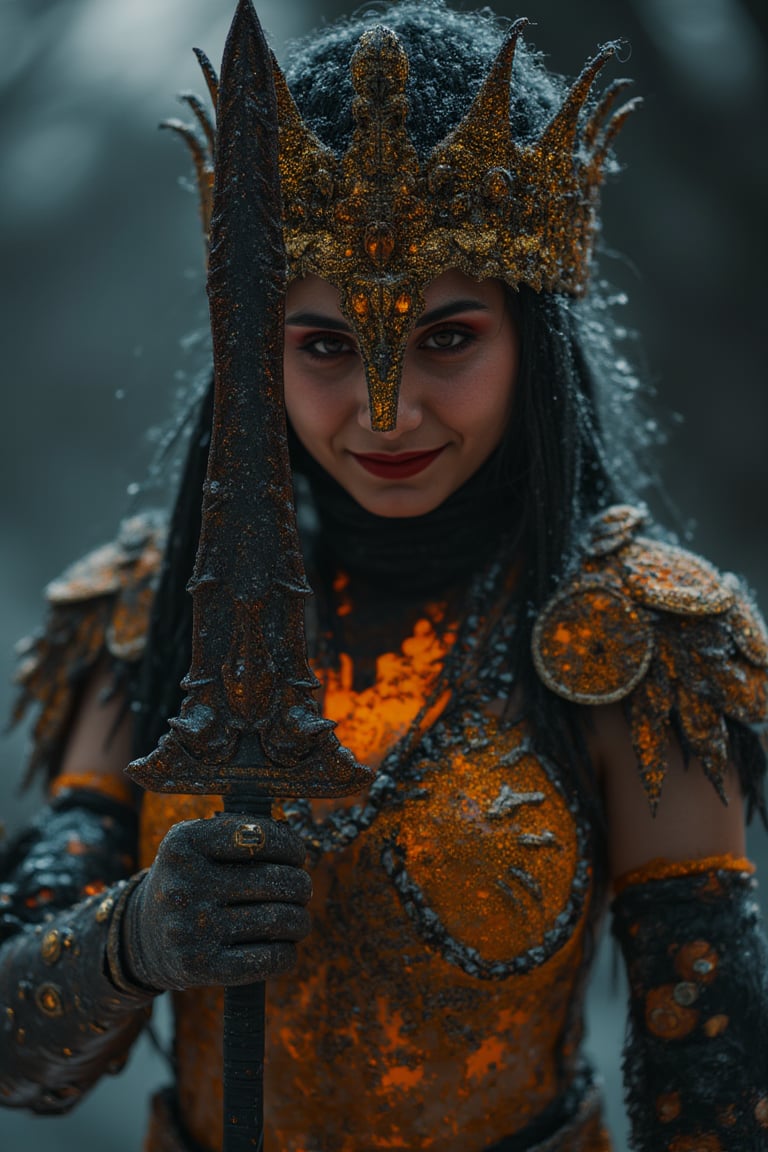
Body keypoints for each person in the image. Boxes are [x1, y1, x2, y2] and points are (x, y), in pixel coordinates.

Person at [2, 1, 768, 1150]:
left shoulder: (638, 645)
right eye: (322, 347)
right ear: (259, 351)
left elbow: (710, 1097)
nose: (385, 409)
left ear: (531, 338)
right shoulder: (151, 616)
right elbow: (21, 1066)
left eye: (447, 338)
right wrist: (135, 937)